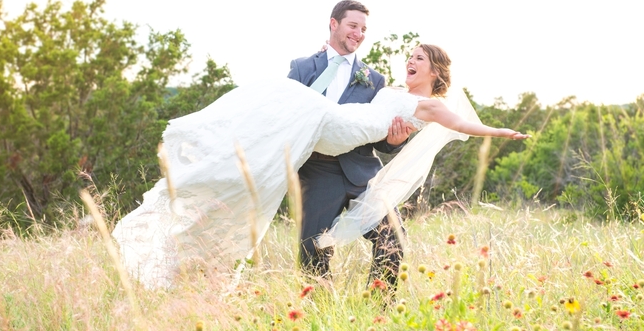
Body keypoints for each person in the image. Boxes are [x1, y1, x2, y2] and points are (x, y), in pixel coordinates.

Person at [111, 43, 528, 290]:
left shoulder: (426, 103)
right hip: (325, 156)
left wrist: (501, 131)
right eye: (411, 55)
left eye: (419, 58)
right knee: (286, 100)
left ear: (435, 70)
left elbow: (461, 125)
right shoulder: (388, 87)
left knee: (392, 246)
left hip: (356, 160)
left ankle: (379, 308)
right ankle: (315, 306)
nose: (411, 60)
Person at [287, 0, 412, 289]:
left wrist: (395, 141)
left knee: (393, 241)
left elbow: (381, 137)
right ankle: (322, 314)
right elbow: (286, 119)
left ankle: (379, 308)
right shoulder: (302, 68)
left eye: (363, 29)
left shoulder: (375, 79)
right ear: (334, 24)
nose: (358, 33)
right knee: (311, 252)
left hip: (363, 173)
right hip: (317, 173)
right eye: (353, 26)